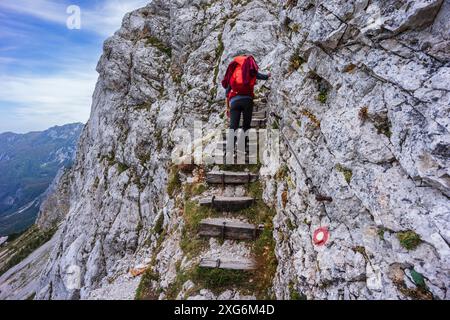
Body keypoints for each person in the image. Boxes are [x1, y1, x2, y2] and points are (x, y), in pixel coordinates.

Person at [221, 55, 270, 131]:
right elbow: (260, 76)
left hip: (234, 102)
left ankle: (231, 142)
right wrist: (267, 76)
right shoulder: (249, 70)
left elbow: (227, 93)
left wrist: (227, 108)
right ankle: (244, 142)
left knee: (233, 127)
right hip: (247, 100)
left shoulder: (234, 73)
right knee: (246, 126)